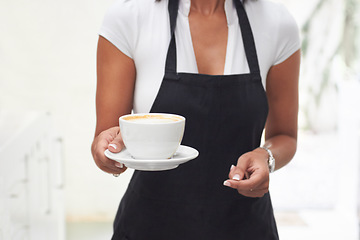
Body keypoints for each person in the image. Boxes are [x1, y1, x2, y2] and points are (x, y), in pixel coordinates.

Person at [91, 0, 300, 238]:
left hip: (246, 227)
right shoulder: (129, 18)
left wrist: (267, 157)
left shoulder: (277, 23)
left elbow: (285, 135)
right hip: (149, 226)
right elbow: (105, 137)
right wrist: (108, 151)